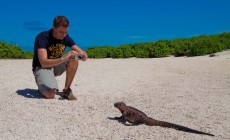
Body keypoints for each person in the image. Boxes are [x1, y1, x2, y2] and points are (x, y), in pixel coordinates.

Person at [32, 16, 87, 100]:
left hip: (56, 66)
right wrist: (63, 59)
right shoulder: (43, 37)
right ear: (54, 28)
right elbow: (43, 62)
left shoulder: (66, 37)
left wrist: (81, 55)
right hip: (41, 68)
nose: (63, 35)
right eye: (61, 32)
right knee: (51, 94)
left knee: (74, 59)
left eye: (66, 32)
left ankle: (66, 90)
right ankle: (41, 86)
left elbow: (84, 56)